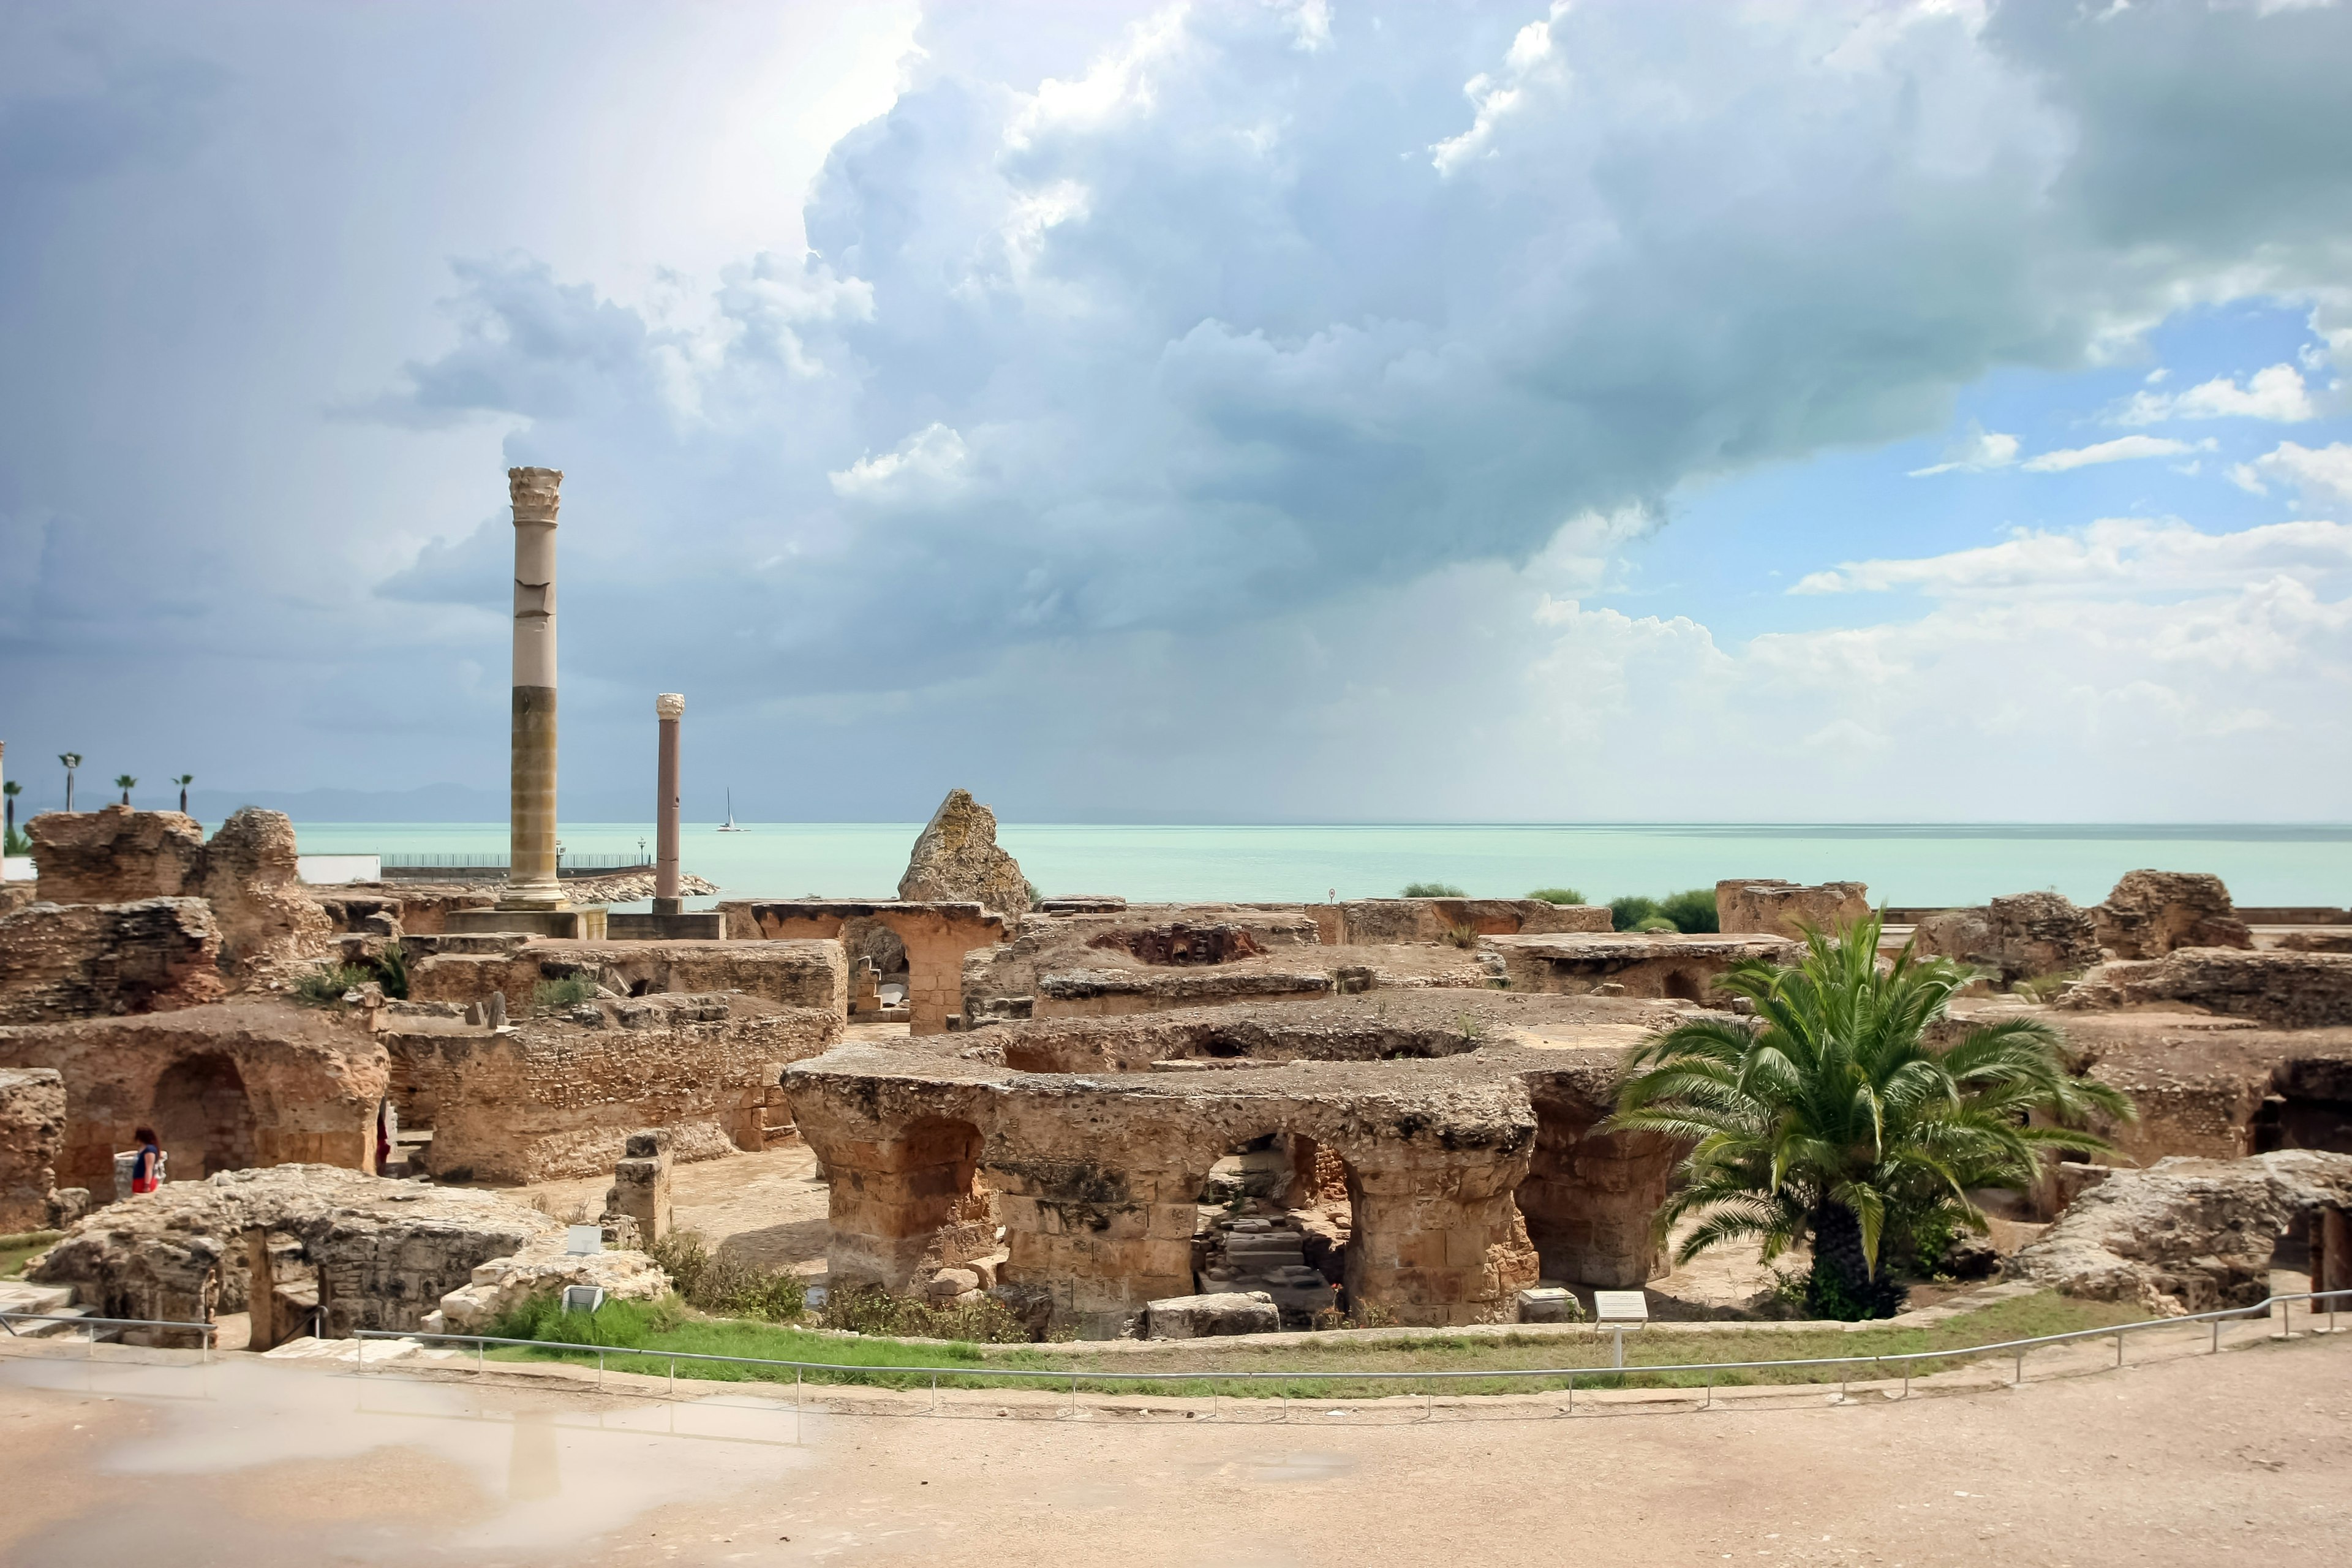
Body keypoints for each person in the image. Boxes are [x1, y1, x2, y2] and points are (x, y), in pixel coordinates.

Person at [130, 1128, 164, 1194]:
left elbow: (149, 1168)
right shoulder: (145, 1148)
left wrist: (147, 1186)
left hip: (144, 1182)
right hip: (139, 1181)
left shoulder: (150, 1150)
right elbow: (137, 1153)